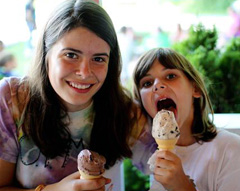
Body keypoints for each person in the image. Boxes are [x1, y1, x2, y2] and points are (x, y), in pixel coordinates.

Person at [0, 0, 145, 190]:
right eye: (71, 55)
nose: (85, 72)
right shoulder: (12, 100)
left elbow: (179, 161)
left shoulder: (126, 112)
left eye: (99, 59)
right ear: (46, 53)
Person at [132, 47, 240, 191]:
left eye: (170, 76)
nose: (157, 85)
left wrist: (182, 187)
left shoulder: (231, 149)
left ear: (195, 88)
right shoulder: (155, 155)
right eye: (147, 83)